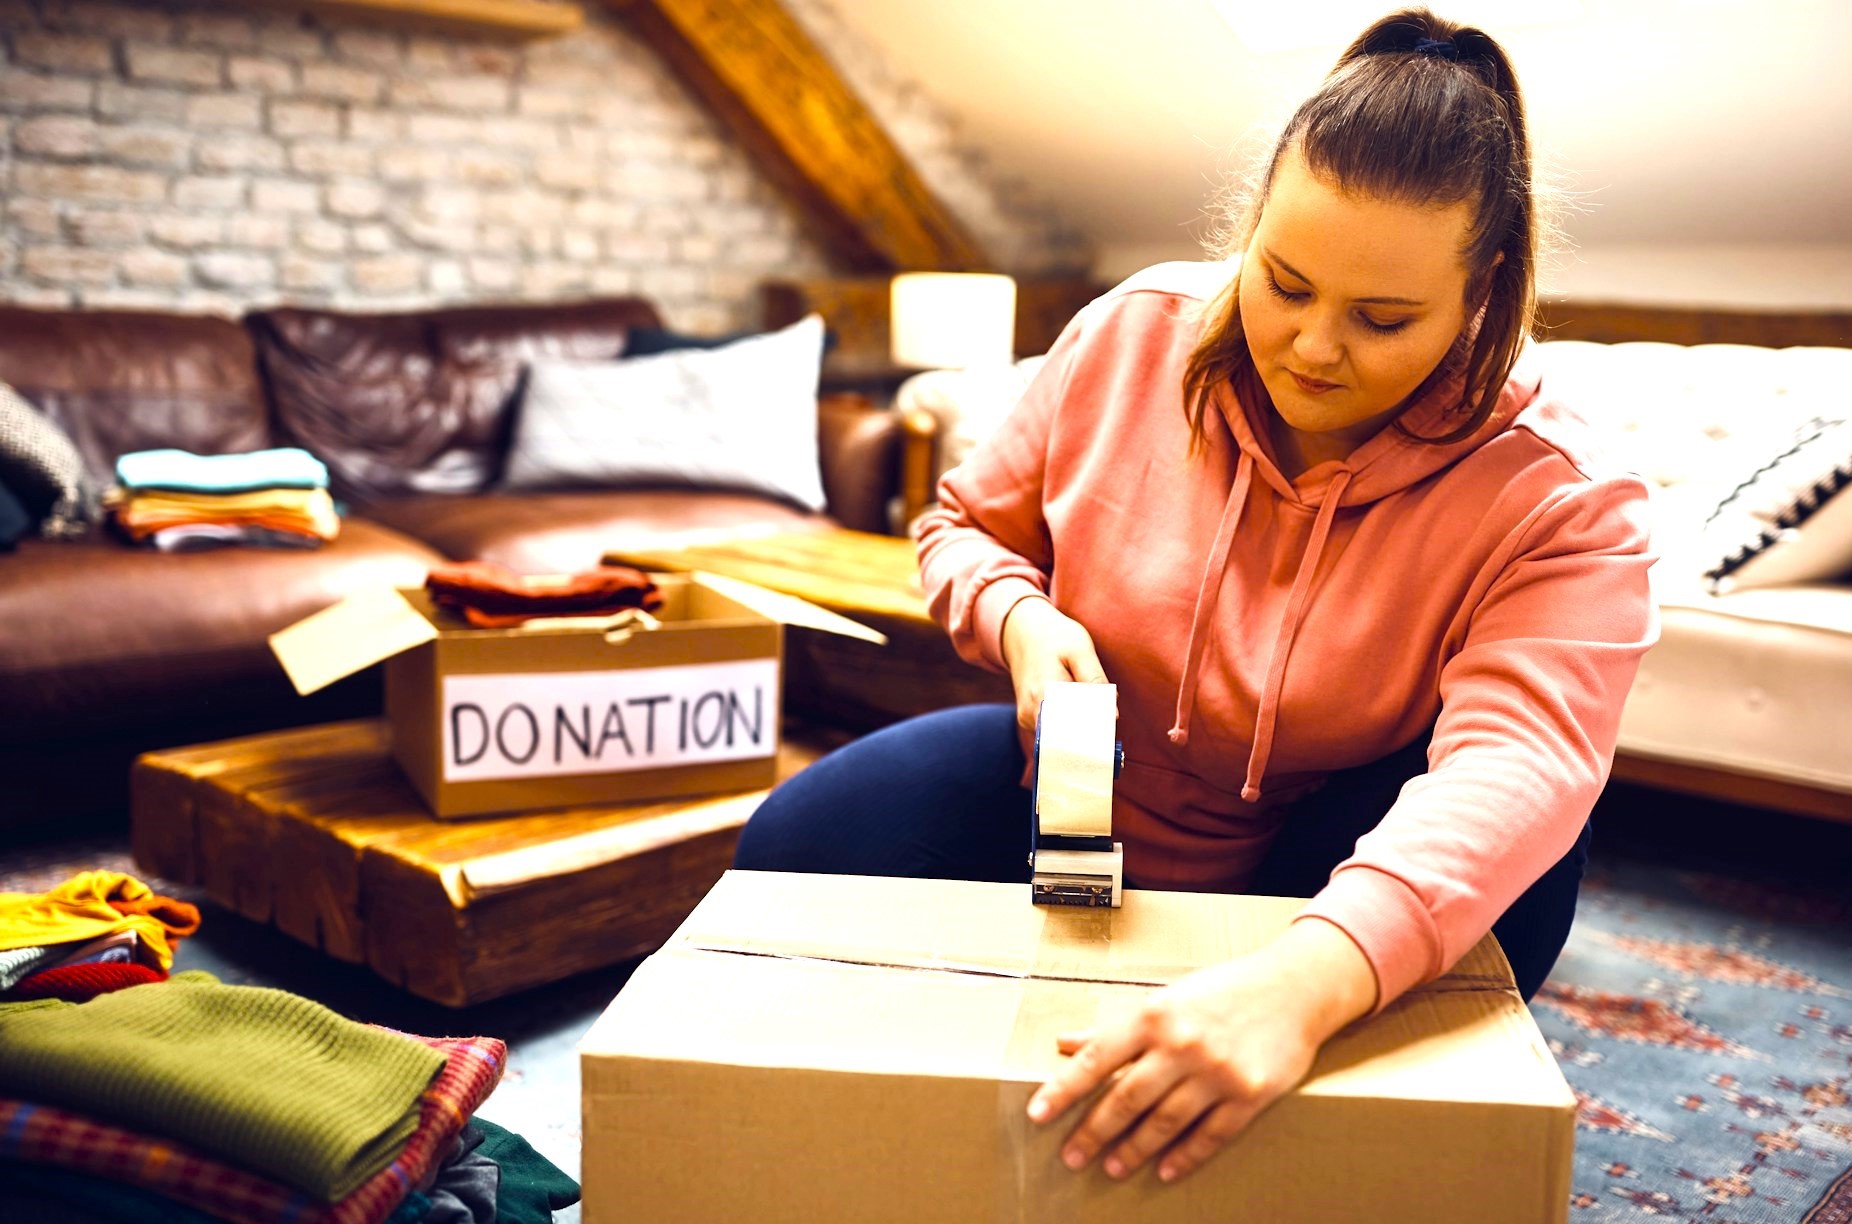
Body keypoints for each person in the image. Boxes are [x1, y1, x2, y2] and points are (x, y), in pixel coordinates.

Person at [734, 4, 1656, 1188]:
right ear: (1251, 228)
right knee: (790, 845)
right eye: (1282, 283)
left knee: (1525, 882)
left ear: (1482, 295)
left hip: (1327, 837)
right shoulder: (1129, 335)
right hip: (1079, 787)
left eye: (1383, 320)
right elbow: (962, 528)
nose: (1314, 349)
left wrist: (1301, 986)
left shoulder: (1564, 490)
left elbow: (1519, 767)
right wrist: (1019, 619)